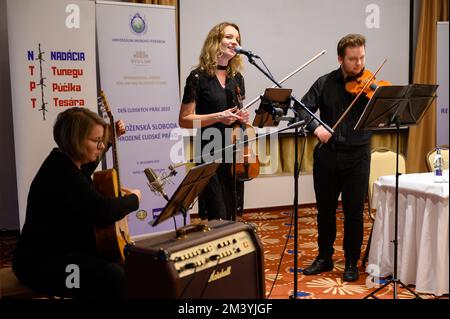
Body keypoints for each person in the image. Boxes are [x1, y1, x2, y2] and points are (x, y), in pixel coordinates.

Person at [12, 107, 142, 298]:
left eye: (102, 140)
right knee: (113, 276)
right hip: (42, 268)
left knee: (125, 262)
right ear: (75, 141)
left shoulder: (64, 161)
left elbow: (86, 168)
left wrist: (110, 141)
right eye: (97, 141)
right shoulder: (61, 174)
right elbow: (103, 210)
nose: (101, 146)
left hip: (62, 254)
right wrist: (134, 199)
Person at [298, 34, 371, 282]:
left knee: (354, 213)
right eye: (352, 59)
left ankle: (351, 261)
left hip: (358, 156)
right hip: (327, 158)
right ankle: (325, 257)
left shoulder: (370, 84)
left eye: (361, 57)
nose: (358, 64)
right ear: (341, 58)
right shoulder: (325, 82)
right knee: (325, 211)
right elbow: (301, 108)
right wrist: (316, 128)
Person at [179, 22, 250, 221]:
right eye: (229, 37)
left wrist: (242, 117)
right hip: (210, 152)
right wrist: (218, 116)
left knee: (232, 214)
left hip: (234, 154)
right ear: (215, 41)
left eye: (237, 39)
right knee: (217, 214)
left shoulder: (237, 79)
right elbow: (184, 120)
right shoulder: (197, 77)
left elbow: (237, 114)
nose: (234, 42)